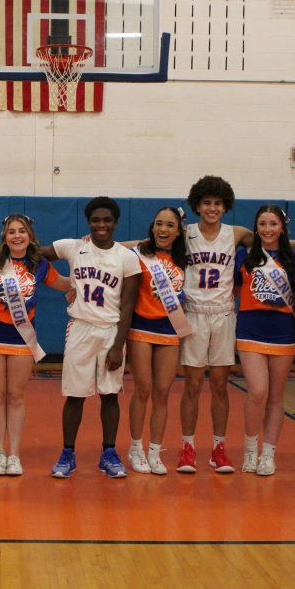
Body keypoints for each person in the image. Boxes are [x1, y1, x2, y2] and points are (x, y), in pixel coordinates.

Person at [47, 197, 141, 479]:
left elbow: (128, 305)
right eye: (96, 220)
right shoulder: (74, 247)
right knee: (74, 396)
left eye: (107, 220)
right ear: (88, 222)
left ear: (115, 222)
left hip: (111, 330)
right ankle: (67, 454)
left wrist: (118, 345)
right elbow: (31, 254)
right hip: (81, 328)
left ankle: (109, 454)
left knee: (110, 395)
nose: (101, 225)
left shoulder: (126, 257)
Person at [0, 214, 70, 476]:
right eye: (11, 232)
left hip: (23, 335)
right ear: (4, 237)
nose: (17, 236)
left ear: (30, 234)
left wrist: (87, 278)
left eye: (22, 231)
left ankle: (14, 455)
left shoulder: (39, 264)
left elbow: (62, 284)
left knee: (16, 397)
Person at [177, 176, 253, 473]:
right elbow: (144, 243)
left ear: (226, 206)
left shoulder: (236, 234)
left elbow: (278, 241)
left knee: (221, 385)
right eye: (207, 203)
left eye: (217, 203)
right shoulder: (185, 233)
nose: (212, 208)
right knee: (193, 385)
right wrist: (96, 244)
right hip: (193, 314)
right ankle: (187, 447)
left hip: (223, 314)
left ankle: (219, 449)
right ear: (197, 205)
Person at [234, 205, 295, 476]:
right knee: (258, 391)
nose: (268, 229)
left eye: (273, 224)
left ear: (282, 227)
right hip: (250, 328)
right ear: (256, 227)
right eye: (263, 223)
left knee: (275, 396)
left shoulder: (293, 259)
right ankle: (250, 449)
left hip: (283, 331)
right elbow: (233, 288)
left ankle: (268, 454)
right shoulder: (244, 255)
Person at [126, 206, 188, 475]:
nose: (164, 229)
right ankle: (135, 447)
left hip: (170, 329)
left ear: (177, 231)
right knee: (142, 388)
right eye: (159, 223)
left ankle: (154, 450)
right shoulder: (138, 254)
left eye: (170, 225)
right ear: (152, 227)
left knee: (163, 392)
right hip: (141, 326)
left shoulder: (184, 259)